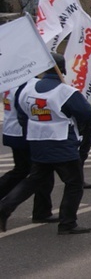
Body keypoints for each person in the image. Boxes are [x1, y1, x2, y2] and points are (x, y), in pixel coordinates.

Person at [0, 53, 91, 234]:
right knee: (74, 183)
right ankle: (67, 223)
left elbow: (22, 115)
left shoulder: (28, 88)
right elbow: (86, 114)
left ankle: (5, 207)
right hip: (61, 142)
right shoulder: (65, 91)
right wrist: (80, 134)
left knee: (34, 179)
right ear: (62, 69)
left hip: (37, 142)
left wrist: (32, 129)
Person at [0, 87, 55, 225]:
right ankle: (41, 211)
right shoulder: (27, 86)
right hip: (23, 134)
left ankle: (41, 211)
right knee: (42, 173)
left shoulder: (9, 82)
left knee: (21, 171)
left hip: (11, 130)